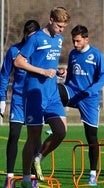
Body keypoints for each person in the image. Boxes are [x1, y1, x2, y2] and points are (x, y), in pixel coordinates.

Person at [14, 6, 70, 188]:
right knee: (33, 136)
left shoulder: (59, 39)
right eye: (60, 26)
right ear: (51, 20)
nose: (62, 30)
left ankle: (38, 157)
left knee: (61, 131)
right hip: (34, 93)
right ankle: (25, 178)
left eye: (64, 27)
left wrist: (58, 72)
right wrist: (42, 71)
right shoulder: (36, 38)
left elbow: (49, 63)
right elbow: (19, 61)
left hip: (52, 93)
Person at [57, 25, 104, 186]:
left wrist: (92, 89)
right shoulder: (72, 54)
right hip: (73, 91)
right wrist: (64, 76)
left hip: (89, 98)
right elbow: (71, 75)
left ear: (86, 39)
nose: (75, 44)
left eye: (78, 41)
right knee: (54, 91)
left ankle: (93, 173)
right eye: (73, 40)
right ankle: (56, 124)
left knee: (91, 137)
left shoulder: (96, 55)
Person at [0, 20, 40, 188]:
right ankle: (9, 178)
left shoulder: (40, 52)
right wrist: (1, 98)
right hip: (17, 99)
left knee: (35, 138)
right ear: (24, 34)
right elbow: (4, 75)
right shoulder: (14, 50)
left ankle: (32, 177)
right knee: (14, 135)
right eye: (28, 36)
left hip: (35, 99)